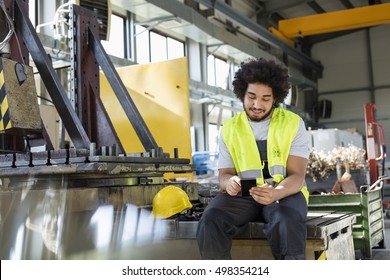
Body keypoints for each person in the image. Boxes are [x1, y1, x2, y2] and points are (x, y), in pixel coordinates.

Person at [196, 57, 311, 260]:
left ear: (275, 98)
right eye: (251, 97)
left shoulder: (293, 124)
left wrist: (276, 193)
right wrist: (229, 182)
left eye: (266, 98)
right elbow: (224, 175)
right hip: (245, 196)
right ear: (242, 93)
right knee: (211, 219)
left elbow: (297, 176)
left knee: (285, 221)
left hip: (285, 193)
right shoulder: (230, 128)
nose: (257, 104)